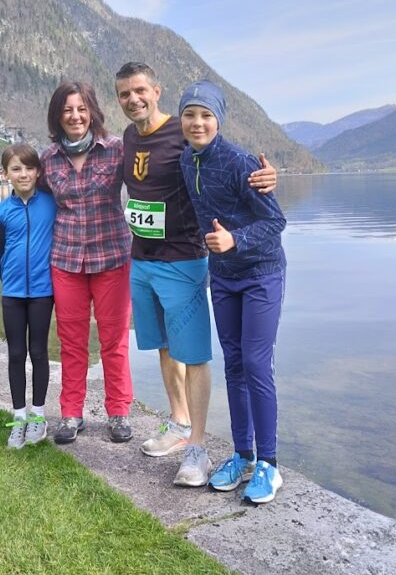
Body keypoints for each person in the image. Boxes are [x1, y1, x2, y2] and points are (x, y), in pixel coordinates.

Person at [115, 62, 277, 487]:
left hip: (183, 258)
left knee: (196, 353)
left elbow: (227, 165)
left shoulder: (183, 135)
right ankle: (179, 424)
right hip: (142, 259)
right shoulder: (130, 138)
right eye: (124, 94)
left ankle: (200, 449)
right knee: (164, 346)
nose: (133, 99)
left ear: (157, 90)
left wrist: (264, 178)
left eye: (140, 91)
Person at [178, 80, 287, 503]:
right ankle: (242, 455)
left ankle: (270, 465)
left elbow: (276, 222)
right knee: (235, 364)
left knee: (257, 364)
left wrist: (235, 240)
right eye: (190, 114)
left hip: (261, 273)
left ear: (219, 120)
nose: (198, 122)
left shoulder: (241, 162)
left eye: (206, 115)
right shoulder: (188, 161)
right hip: (222, 276)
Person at [42, 82, 135, 444]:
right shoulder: (47, 158)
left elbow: (152, 181)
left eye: (81, 108)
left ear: (92, 111)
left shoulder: (116, 151)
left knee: (114, 341)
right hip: (66, 260)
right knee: (71, 341)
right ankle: (71, 414)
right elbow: (30, 199)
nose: (75, 116)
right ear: (58, 115)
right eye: (67, 110)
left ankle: (118, 412)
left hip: (112, 257)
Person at [0, 144, 56, 449]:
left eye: (29, 168)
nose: (23, 174)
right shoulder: (1, 211)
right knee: (16, 354)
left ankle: (39, 417)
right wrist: (10, 282)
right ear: (6, 175)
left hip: (43, 292)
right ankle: (19, 418)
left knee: (39, 352)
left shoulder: (51, 203)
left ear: (38, 171)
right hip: (13, 294)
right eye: (16, 169)